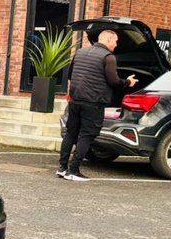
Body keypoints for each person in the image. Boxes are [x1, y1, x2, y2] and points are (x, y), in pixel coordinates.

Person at [57, 29, 137, 181]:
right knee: (86, 136)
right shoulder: (108, 57)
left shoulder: (80, 52)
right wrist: (128, 82)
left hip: (75, 100)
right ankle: (73, 171)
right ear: (108, 40)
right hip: (93, 103)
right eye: (115, 41)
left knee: (70, 134)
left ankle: (62, 168)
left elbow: (70, 75)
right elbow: (114, 82)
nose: (116, 44)